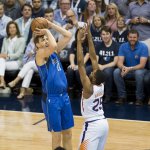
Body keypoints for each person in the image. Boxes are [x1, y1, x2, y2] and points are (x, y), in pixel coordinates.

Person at [33, 18, 74, 150]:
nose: (45, 41)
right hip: (52, 99)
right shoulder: (40, 55)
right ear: (37, 45)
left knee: (68, 133)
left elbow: (68, 35)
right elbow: (54, 45)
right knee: (56, 135)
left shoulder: (54, 54)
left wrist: (51, 25)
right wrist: (46, 31)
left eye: (46, 38)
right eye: (42, 40)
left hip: (64, 96)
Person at [77, 26, 109, 149]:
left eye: (92, 74)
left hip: (92, 126)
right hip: (103, 124)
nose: (91, 72)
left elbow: (80, 64)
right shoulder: (101, 84)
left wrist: (79, 42)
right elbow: (93, 56)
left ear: (94, 79)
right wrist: (89, 35)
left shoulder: (89, 88)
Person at [113, 29, 148, 105]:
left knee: (138, 73)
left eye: (134, 37)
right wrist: (123, 68)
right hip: (127, 69)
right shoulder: (123, 46)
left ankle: (139, 98)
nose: (132, 39)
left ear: (138, 38)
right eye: (130, 37)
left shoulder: (143, 47)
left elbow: (142, 65)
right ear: (127, 37)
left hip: (140, 70)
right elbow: (119, 62)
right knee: (116, 72)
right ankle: (122, 97)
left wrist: (129, 69)